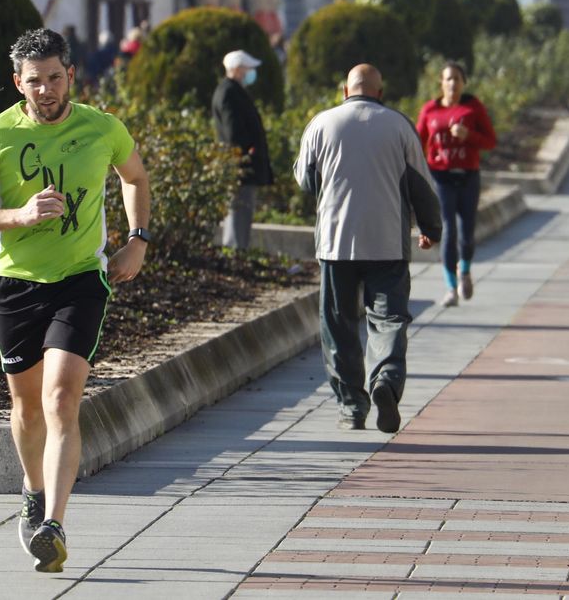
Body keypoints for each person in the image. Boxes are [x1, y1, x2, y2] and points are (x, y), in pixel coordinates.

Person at [0, 27, 152, 574]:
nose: (45, 90)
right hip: (15, 285)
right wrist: (17, 216)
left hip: (80, 279)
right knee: (27, 405)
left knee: (62, 400)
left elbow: (134, 177)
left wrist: (137, 239)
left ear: (71, 75)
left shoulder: (101, 127)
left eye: (55, 78)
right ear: (18, 82)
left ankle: (53, 525)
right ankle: (33, 491)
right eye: (34, 81)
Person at [294, 64, 442, 433]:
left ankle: (351, 407)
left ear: (345, 90)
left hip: (335, 242)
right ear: (380, 92)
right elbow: (420, 184)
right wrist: (430, 227)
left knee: (339, 326)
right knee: (389, 318)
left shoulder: (321, 123)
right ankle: (385, 382)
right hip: (387, 241)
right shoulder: (398, 125)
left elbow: (304, 179)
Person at [414, 62, 497, 307]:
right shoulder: (430, 110)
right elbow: (417, 142)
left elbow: (490, 141)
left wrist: (468, 136)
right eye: (448, 79)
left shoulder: (473, 108)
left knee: (467, 233)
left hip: (468, 176)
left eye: (457, 79)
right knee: (448, 230)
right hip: (441, 176)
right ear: (441, 83)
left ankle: (465, 270)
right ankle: (451, 288)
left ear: (464, 83)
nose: (452, 83)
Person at [211, 49, 273, 250]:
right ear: (237, 69)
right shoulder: (230, 92)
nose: (250, 73)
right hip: (241, 165)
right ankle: (236, 250)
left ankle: (236, 249)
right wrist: (246, 153)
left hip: (240, 163)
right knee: (239, 209)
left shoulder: (230, 90)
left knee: (240, 209)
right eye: (248, 69)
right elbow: (234, 131)